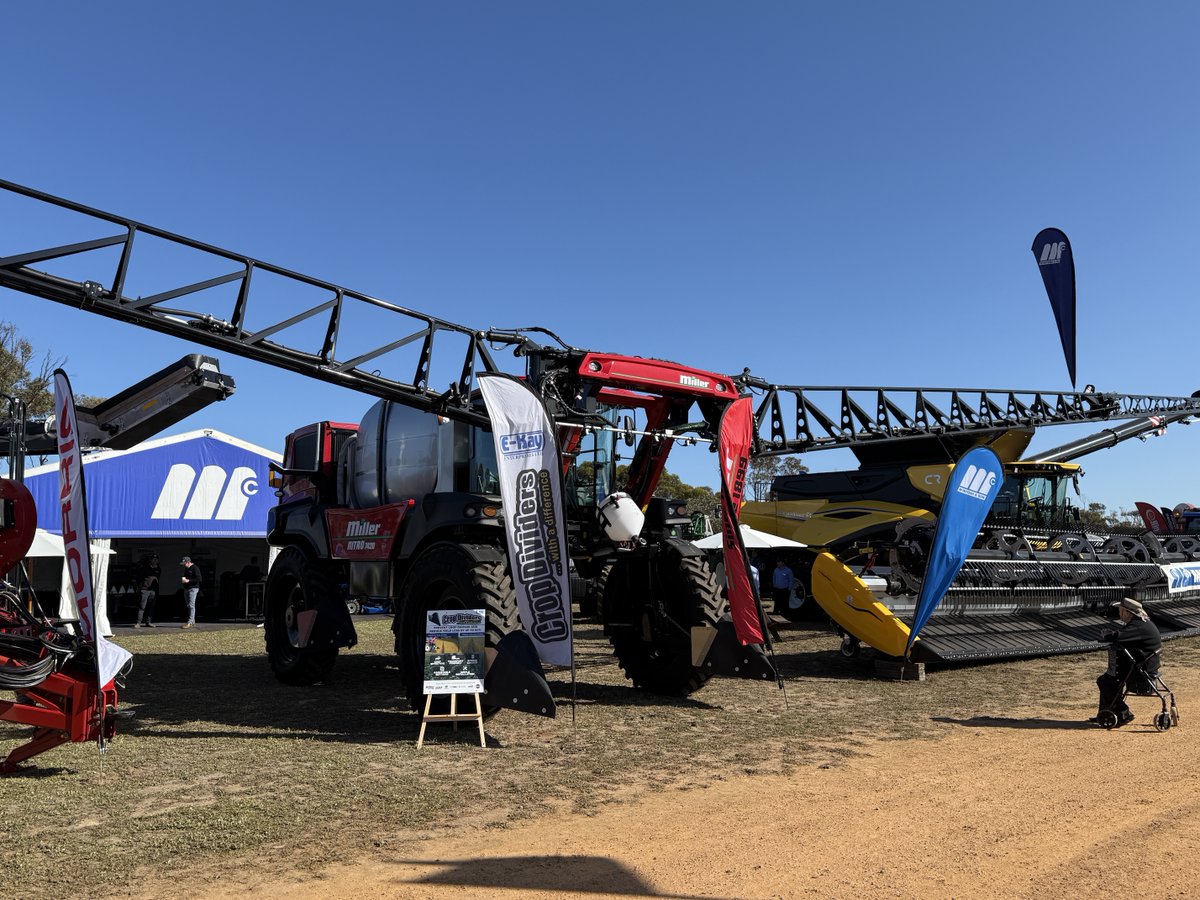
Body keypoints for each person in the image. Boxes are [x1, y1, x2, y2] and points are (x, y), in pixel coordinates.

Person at [1093, 597, 1162, 726]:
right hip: (1148, 666)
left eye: (1120, 610)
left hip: (1140, 670)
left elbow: (1118, 636)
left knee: (1105, 681)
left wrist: (1107, 635)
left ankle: (1123, 713)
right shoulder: (1144, 623)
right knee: (1108, 679)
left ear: (1128, 612)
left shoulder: (1137, 626)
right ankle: (1105, 713)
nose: (1119, 613)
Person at [134, 553, 160, 628]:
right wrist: (140, 587)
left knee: (151, 606)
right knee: (142, 606)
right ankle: (138, 623)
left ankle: (148, 622)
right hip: (145, 589)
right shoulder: (145, 568)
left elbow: (158, 579)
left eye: (156, 559)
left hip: (153, 590)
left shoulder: (158, 569)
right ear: (151, 560)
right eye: (153, 559)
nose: (155, 560)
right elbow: (138, 577)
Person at [180, 556, 201, 629]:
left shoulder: (195, 568)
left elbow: (199, 578)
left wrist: (189, 581)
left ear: (188, 562)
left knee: (191, 605)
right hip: (187, 588)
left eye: (184, 563)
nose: (183, 565)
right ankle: (192, 621)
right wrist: (184, 580)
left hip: (193, 588)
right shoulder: (186, 569)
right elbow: (186, 577)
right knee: (188, 605)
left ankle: (189, 622)